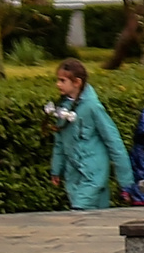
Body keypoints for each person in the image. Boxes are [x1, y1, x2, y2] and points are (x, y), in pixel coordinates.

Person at [45, 60, 137, 210]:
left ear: (77, 82)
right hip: (73, 173)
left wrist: (126, 181)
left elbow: (113, 141)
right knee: (98, 213)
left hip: (94, 172)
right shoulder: (62, 108)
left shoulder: (93, 107)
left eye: (62, 80)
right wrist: (56, 169)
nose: (58, 84)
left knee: (80, 209)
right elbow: (59, 141)